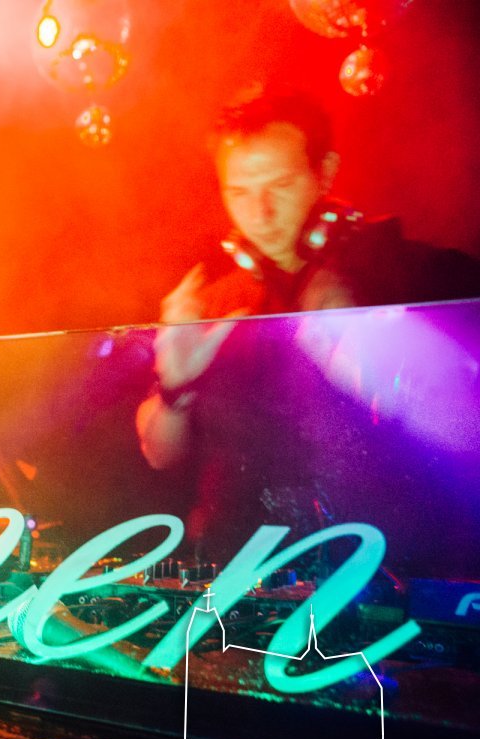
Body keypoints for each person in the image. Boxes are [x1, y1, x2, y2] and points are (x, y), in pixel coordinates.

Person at [134, 86, 480, 568]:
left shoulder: (421, 275)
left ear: (326, 173)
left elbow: (469, 434)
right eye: (239, 192)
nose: (260, 214)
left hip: (383, 575)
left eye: (280, 184)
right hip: (239, 582)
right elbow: (159, 454)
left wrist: (380, 361)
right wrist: (174, 386)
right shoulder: (215, 306)